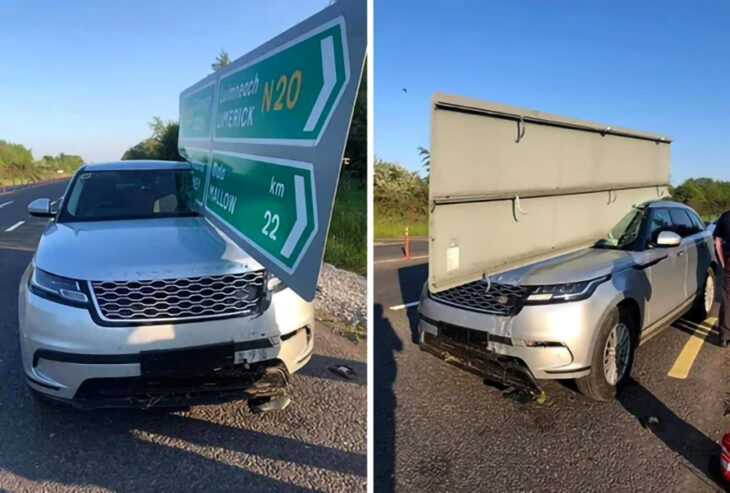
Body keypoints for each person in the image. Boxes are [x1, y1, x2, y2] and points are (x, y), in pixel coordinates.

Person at [714, 210, 730, 346]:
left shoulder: (725, 217)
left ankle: (725, 336)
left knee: (727, 296)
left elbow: (718, 241)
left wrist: (723, 262)